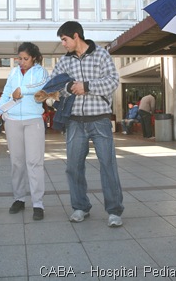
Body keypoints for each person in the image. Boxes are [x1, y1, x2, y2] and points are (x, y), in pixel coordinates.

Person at [49, 21, 124, 227]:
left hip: (100, 119)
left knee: (108, 165)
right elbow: (54, 84)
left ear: (76, 36)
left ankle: (114, 211)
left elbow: (113, 81)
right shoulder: (65, 61)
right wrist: (68, 87)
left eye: (64, 39)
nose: (63, 44)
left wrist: (87, 86)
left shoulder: (101, 54)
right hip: (74, 121)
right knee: (73, 167)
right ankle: (80, 207)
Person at [0, 42, 49, 221]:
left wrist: (22, 90)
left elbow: (42, 87)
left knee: (34, 162)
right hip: (12, 121)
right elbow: (6, 93)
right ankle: (19, 198)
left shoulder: (41, 72)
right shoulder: (13, 73)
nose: (22, 62)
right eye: (19, 58)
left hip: (33, 120)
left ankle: (38, 203)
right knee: (17, 163)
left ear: (33, 58)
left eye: (25, 58)